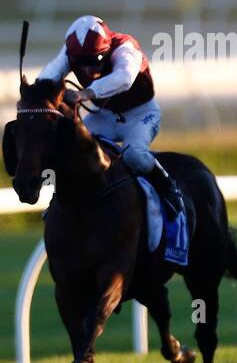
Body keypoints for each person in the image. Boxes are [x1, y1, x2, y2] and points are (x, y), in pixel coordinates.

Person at [37, 15, 184, 216]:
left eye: (95, 60)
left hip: (140, 114)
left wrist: (85, 93)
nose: (88, 69)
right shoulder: (71, 51)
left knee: (134, 154)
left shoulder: (125, 48)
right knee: (70, 148)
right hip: (104, 115)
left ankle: (169, 189)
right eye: (80, 63)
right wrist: (36, 94)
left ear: (106, 50)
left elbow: (124, 78)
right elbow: (48, 77)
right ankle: (59, 200)